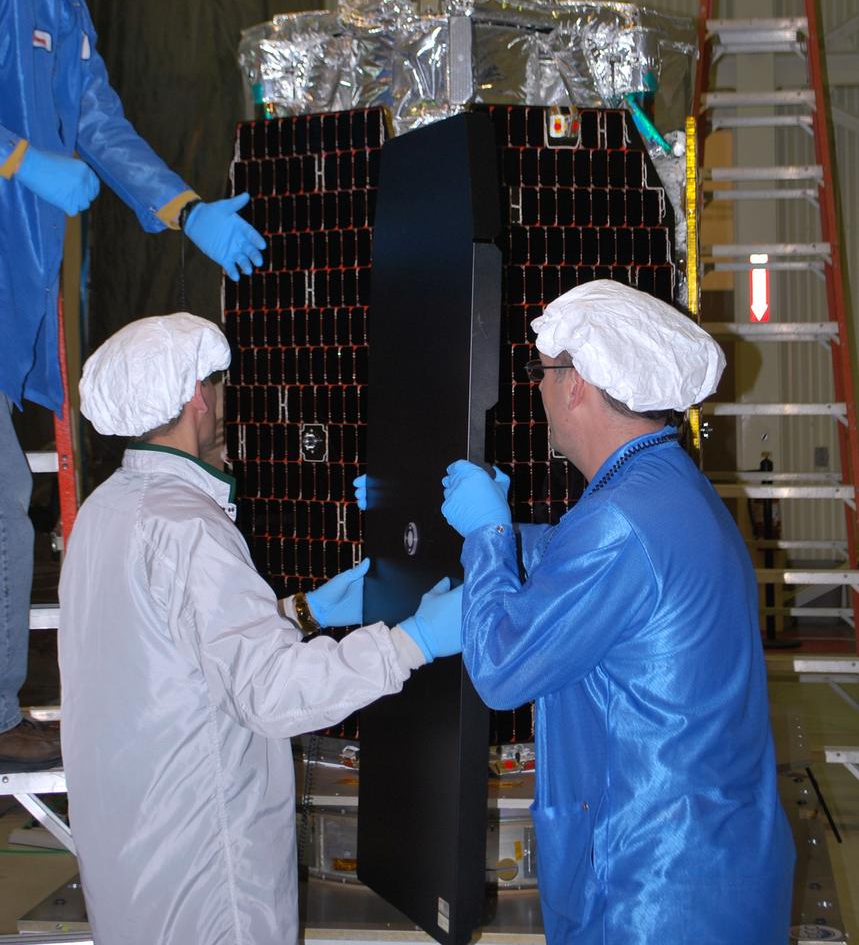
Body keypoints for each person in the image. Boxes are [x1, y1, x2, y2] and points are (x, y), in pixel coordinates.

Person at [58, 312, 462, 945]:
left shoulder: (104, 513)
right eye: (216, 385)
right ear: (197, 395)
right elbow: (271, 694)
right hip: (205, 874)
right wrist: (413, 641)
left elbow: (168, 651)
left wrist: (302, 613)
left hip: (134, 858)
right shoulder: (188, 526)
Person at [0, 0, 266, 768]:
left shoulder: (69, 14)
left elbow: (103, 126)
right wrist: (18, 160)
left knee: (4, 500)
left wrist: (185, 211)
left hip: (13, 297)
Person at [440, 279, 795, 945]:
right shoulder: (669, 491)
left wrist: (488, 541)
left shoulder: (621, 522)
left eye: (540, 373)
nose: (537, 389)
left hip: (653, 890)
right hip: (717, 868)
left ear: (574, 383)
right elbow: (589, 569)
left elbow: (501, 671)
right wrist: (506, 545)